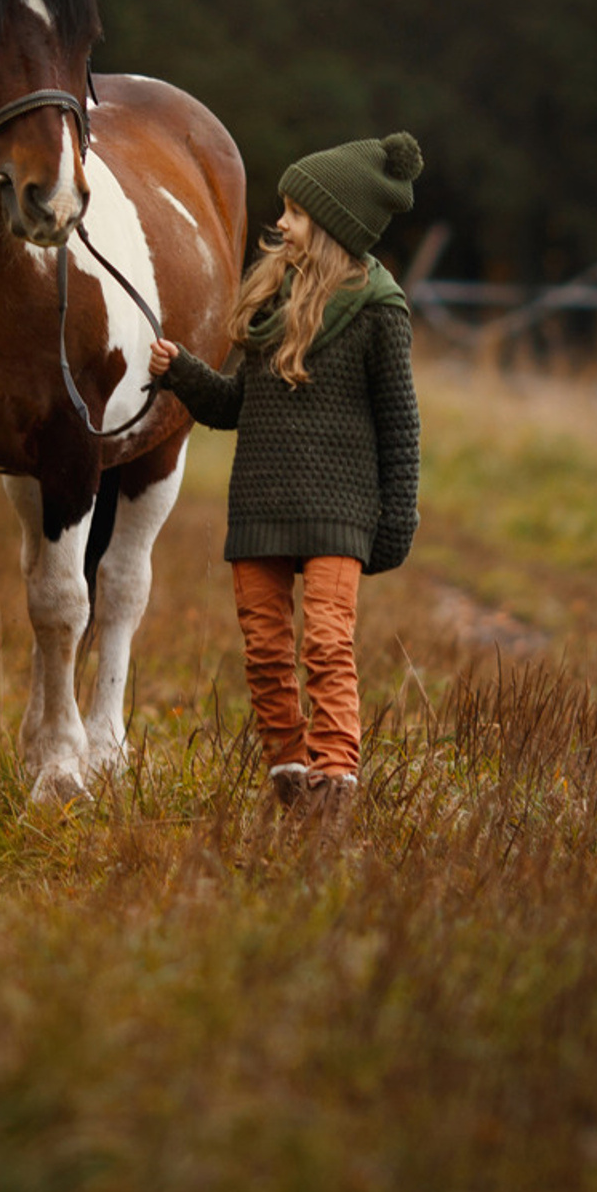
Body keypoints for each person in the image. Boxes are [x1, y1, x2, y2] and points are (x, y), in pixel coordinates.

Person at [148, 131, 424, 817]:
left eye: (295, 214)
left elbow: (401, 425)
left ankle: (335, 782)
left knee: (327, 644)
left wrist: (398, 519)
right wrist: (180, 371)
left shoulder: (380, 314)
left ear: (332, 224)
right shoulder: (272, 301)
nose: (279, 224)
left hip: (339, 509)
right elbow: (238, 406)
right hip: (262, 506)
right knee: (265, 649)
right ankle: (290, 772)